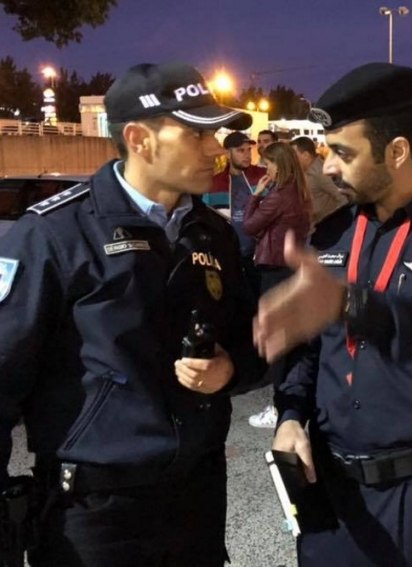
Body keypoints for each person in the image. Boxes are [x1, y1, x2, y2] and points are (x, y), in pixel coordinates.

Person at [0, 62, 266, 566]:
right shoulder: (56, 234)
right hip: (95, 515)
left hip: (196, 503)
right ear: (140, 139)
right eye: (196, 134)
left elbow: (249, 338)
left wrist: (233, 369)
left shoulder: (212, 233)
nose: (216, 148)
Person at [253, 62, 412, 565]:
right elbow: (310, 350)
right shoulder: (332, 235)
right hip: (329, 493)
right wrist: (289, 416)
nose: (327, 166)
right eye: (327, 150)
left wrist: (355, 305)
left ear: (397, 152)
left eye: (343, 153)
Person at [243, 141, 313, 429]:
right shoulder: (301, 192)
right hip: (291, 268)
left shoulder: (279, 196)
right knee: (289, 340)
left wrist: (255, 196)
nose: (265, 168)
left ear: (279, 164)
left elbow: (249, 226)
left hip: (274, 270)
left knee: (277, 341)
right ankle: (289, 403)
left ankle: (278, 405)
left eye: (268, 162)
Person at [209, 131, 266, 296]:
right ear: (228, 153)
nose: (247, 155)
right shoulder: (214, 183)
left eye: (249, 150)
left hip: (257, 257)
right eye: (241, 150)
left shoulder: (262, 176)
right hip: (227, 258)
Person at [291, 135, 349, 225]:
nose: (291, 159)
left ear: (306, 155)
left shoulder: (320, 173)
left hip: (323, 227)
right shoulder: (305, 171)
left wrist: (332, 222)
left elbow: (342, 199)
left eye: (293, 155)